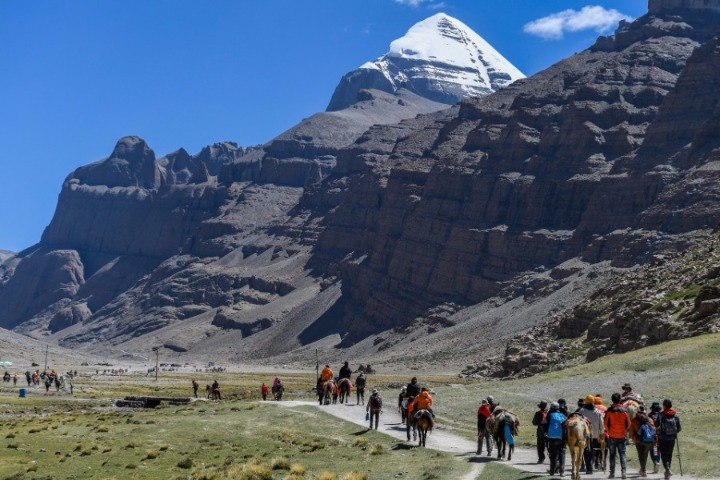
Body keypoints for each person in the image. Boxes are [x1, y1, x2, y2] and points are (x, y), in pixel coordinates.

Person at [604, 392, 631, 479]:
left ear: (612, 400)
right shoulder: (624, 411)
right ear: (619, 400)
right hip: (622, 436)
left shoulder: (609, 411)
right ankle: (624, 472)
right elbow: (629, 424)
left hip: (612, 436)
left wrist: (609, 431)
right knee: (622, 454)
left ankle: (612, 473)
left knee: (612, 455)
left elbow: (605, 424)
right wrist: (625, 431)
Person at [579, 394, 604, 475]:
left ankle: (589, 468)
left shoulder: (582, 411)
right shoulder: (597, 412)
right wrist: (601, 433)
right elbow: (601, 425)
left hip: (585, 435)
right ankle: (590, 466)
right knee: (592, 451)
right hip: (595, 435)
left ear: (586, 402)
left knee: (586, 451)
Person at [657, 398, 681, 479]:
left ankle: (667, 469)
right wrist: (674, 433)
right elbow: (679, 428)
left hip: (663, 438)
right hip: (672, 438)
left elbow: (657, 425)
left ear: (664, 406)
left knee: (663, 455)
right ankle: (667, 472)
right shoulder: (675, 415)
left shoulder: (661, 415)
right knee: (669, 455)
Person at [630, 405, 656, 477]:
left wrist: (634, 439)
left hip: (639, 440)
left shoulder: (634, 420)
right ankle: (643, 469)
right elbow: (654, 429)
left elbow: (631, 432)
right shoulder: (649, 419)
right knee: (645, 454)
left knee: (640, 455)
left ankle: (643, 470)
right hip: (648, 440)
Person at [544, 401, 567, 477]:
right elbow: (565, 426)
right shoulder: (562, 415)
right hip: (561, 438)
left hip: (551, 437)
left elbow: (546, 424)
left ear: (551, 407)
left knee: (553, 455)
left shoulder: (549, 415)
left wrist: (545, 432)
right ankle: (562, 472)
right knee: (562, 454)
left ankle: (552, 471)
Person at [649, 401, 662, 474]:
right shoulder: (662, 415)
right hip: (661, 436)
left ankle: (655, 462)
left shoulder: (649, 415)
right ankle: (657, 462)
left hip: (652, 436)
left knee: (653, 450)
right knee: (658, 451)